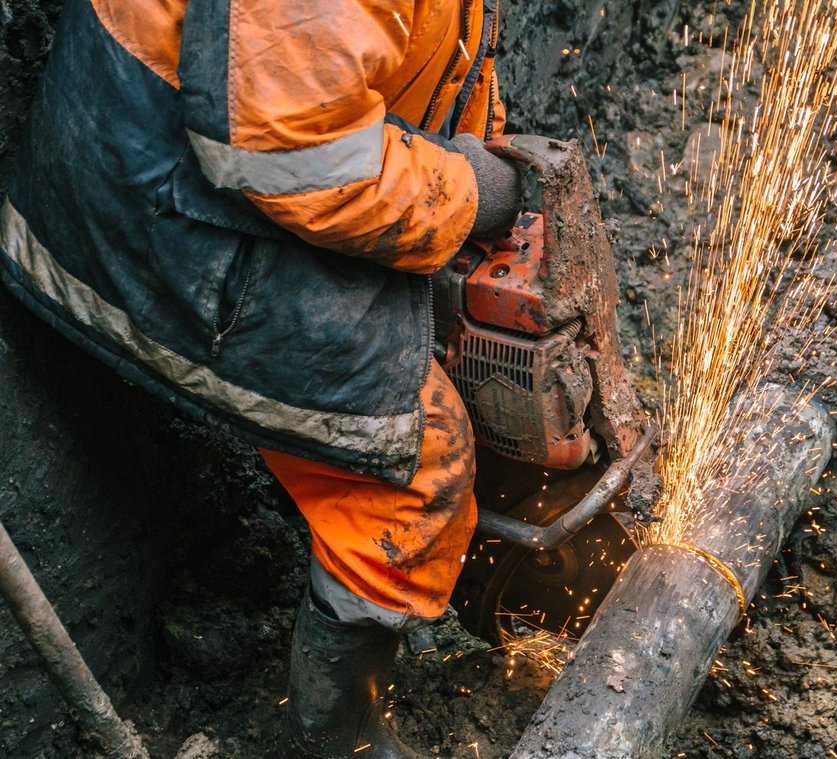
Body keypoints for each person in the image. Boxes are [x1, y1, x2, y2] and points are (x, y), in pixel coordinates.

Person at [0, 0, 525, 755]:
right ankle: (336, 737)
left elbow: (423, 48)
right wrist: (469, 191)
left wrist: (480, 154)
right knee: (417, 459)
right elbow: (289, 149)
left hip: (247, 160)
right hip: (147, 208)